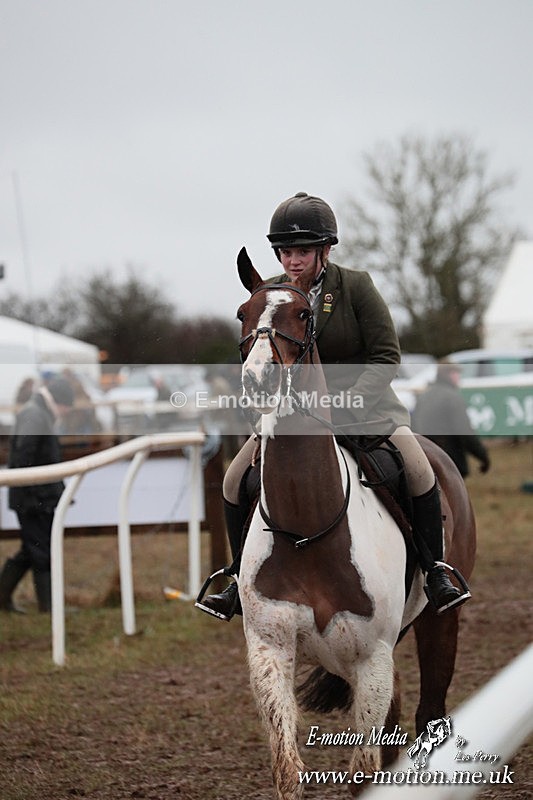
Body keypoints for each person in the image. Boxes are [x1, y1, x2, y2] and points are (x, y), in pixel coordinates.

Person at [198, 192, 471, 621]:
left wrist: (349, 398)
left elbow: (386, 356)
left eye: (303, 250)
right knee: (235, 480)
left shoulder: (355, 286)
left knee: (419, 469)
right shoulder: (273, 295)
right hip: (290, 420)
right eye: (286, 251)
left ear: (324, 249)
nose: (293, 260)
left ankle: (436, 571)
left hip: (367, 412)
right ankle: (234, 579)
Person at [0, 377, 75, 613]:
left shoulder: (37, 412)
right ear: (60, 402)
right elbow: (25, 457)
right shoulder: (35, 415)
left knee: (30, 549)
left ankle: (2, 599)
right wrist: (40, 494)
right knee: (41, 550)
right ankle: (49, 606)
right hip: (32, 499)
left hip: (33, 497)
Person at [412, 362, 491, 479]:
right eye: (456, 373)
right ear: (447, 374)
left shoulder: (423, 396)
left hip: (425, 459)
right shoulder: (452, 397)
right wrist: (483, 456)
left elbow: (415, 427)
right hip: (449, 461)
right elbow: (465, 433)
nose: (458, 377)